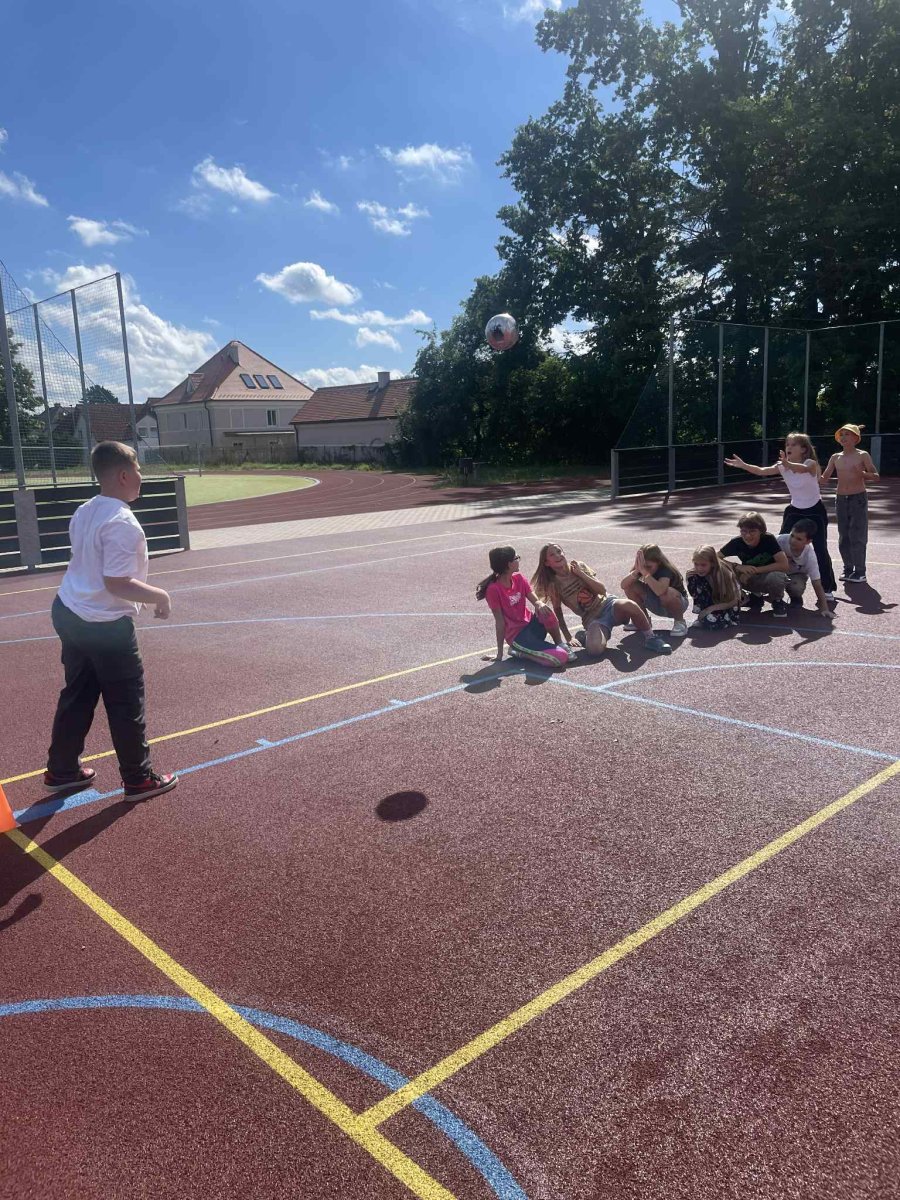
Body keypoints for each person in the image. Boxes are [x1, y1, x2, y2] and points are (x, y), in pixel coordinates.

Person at [44, 441, 178, 800]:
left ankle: (62, 770)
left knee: (78, 693)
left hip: (69, 610)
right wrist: (160, 596)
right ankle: (139, 779)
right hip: (103, 624)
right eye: (138, 469)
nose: (141, 476)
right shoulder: (122, 522)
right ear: (123, 475)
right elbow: (116, 582)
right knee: (125, 702)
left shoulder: (86, 509)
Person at [724, 432, 836, 598]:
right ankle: (767, 581)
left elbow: (803, 469)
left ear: (804, 449)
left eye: (793, 444)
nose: (788, 447)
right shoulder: (783, 465)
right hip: (794, 510)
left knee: (820, 548)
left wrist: (787, 464)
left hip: (815, 510)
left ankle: (827, 588)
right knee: (776, 546)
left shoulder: (810, 463)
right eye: (787, 444)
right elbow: (762, 471)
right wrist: (743, 465)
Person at [531, 542, 672, 656]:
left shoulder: (579, 566)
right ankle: (586, 637)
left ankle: (651, 638)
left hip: (608, 604)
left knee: (629, 604)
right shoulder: (553, 584)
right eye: (552, 554)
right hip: (592, 618)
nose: (558, 555)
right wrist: (568, 637)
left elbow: (602, 590)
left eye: (559, 551)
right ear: (547, 563)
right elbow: (558, 611)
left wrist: (581, 574)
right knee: (595, 651)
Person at [476, 546, 572, 667]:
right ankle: (520, 652)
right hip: (518, 637)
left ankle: (560, 644)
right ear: (509, 564)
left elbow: (535, 600)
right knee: (561, 658)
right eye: (516, 558)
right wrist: (499, 654)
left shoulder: (519, 578)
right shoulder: (493, 589)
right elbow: (499, 622)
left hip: (531, 626)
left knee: (545, 611)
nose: (519, 560)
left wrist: (539, 604)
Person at [820, 423, 879, 584]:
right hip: (840, 499)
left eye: (847, 434)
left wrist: (863, 473)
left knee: (857, 535)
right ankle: (848, 568)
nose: (844, 437)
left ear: (855, 438)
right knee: (843, 536)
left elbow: (876, 476)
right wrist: (809, 473)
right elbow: (824, 478)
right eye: (842, 434)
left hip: (858, 498)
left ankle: (860, 571)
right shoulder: (835, 457)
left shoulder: (863, 455)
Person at [719, 511, 791, 617]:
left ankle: (777, 600)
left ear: (761, 531)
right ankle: (747, 597)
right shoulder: (736, 542)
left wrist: (754, 571)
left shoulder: (768, 539)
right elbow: (714, 557)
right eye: (744, 531)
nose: (747, 535)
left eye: (752, 531)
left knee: (777, 576)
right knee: (721, 570)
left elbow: (784, 565)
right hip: (746, 578)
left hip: (766, 578)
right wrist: (738, 566)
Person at [620, 543, 690, 637]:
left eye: (649, 567)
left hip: (676, 604)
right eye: (644, 566)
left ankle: (680, 622)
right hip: (656, 602)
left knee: (667, 591)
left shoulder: (665, 570)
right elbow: (623, 585)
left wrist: (645, 573)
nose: (646, 569)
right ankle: (643, 621)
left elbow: (660, 591)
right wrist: (636, 571)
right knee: (630, 585)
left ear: (659, 562)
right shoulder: (641, 568)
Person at [776, 519, 835, 620]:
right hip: (776, 570)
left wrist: (824, 608)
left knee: (797, 587)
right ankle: (765, 596)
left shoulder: (810, 556)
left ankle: (795, 597)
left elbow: (817, 583)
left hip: (795, 575)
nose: (793, 540)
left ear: (808, 542)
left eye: (799, 539)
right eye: (792, 535)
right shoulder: (779, 540)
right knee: (773, 578)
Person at [685, 546, 742, 631]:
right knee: (692, 577)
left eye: (703, 565)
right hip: (710, 607)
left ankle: (724, 619)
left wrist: (710, 609)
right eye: (696, 564)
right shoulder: (694, 574)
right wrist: (688, 579)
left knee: (712, 622)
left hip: (727, 606)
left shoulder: (724, 574)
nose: (699, 568)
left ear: (712, 563)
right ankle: (705, 615)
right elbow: (695, 594)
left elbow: (734, 601)